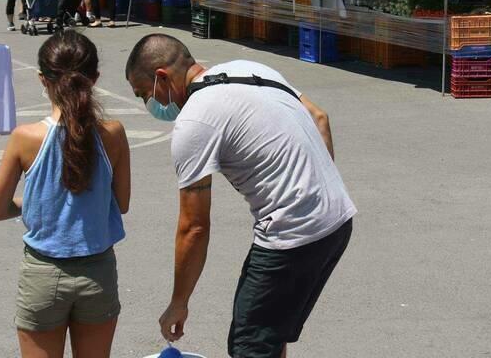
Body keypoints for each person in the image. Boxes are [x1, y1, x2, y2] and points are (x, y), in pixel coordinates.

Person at [125, 35, 355, 358]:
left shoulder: (193, 121)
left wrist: (179, 302)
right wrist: (315, 195)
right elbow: (320, 118)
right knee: (269, 333)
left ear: (161, 77)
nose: (148, 103)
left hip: (291, 233)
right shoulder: (248, 67)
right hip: (338, 218)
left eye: (144, 93)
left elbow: (194, 227)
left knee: (250, 344)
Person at [0, 30, 130, 358]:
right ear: (94, 78)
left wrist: (32, 203)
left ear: (43, 78)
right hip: (97, 271)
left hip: (43, 272)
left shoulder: (25, 138)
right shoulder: (113, 133)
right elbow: (121, 203)